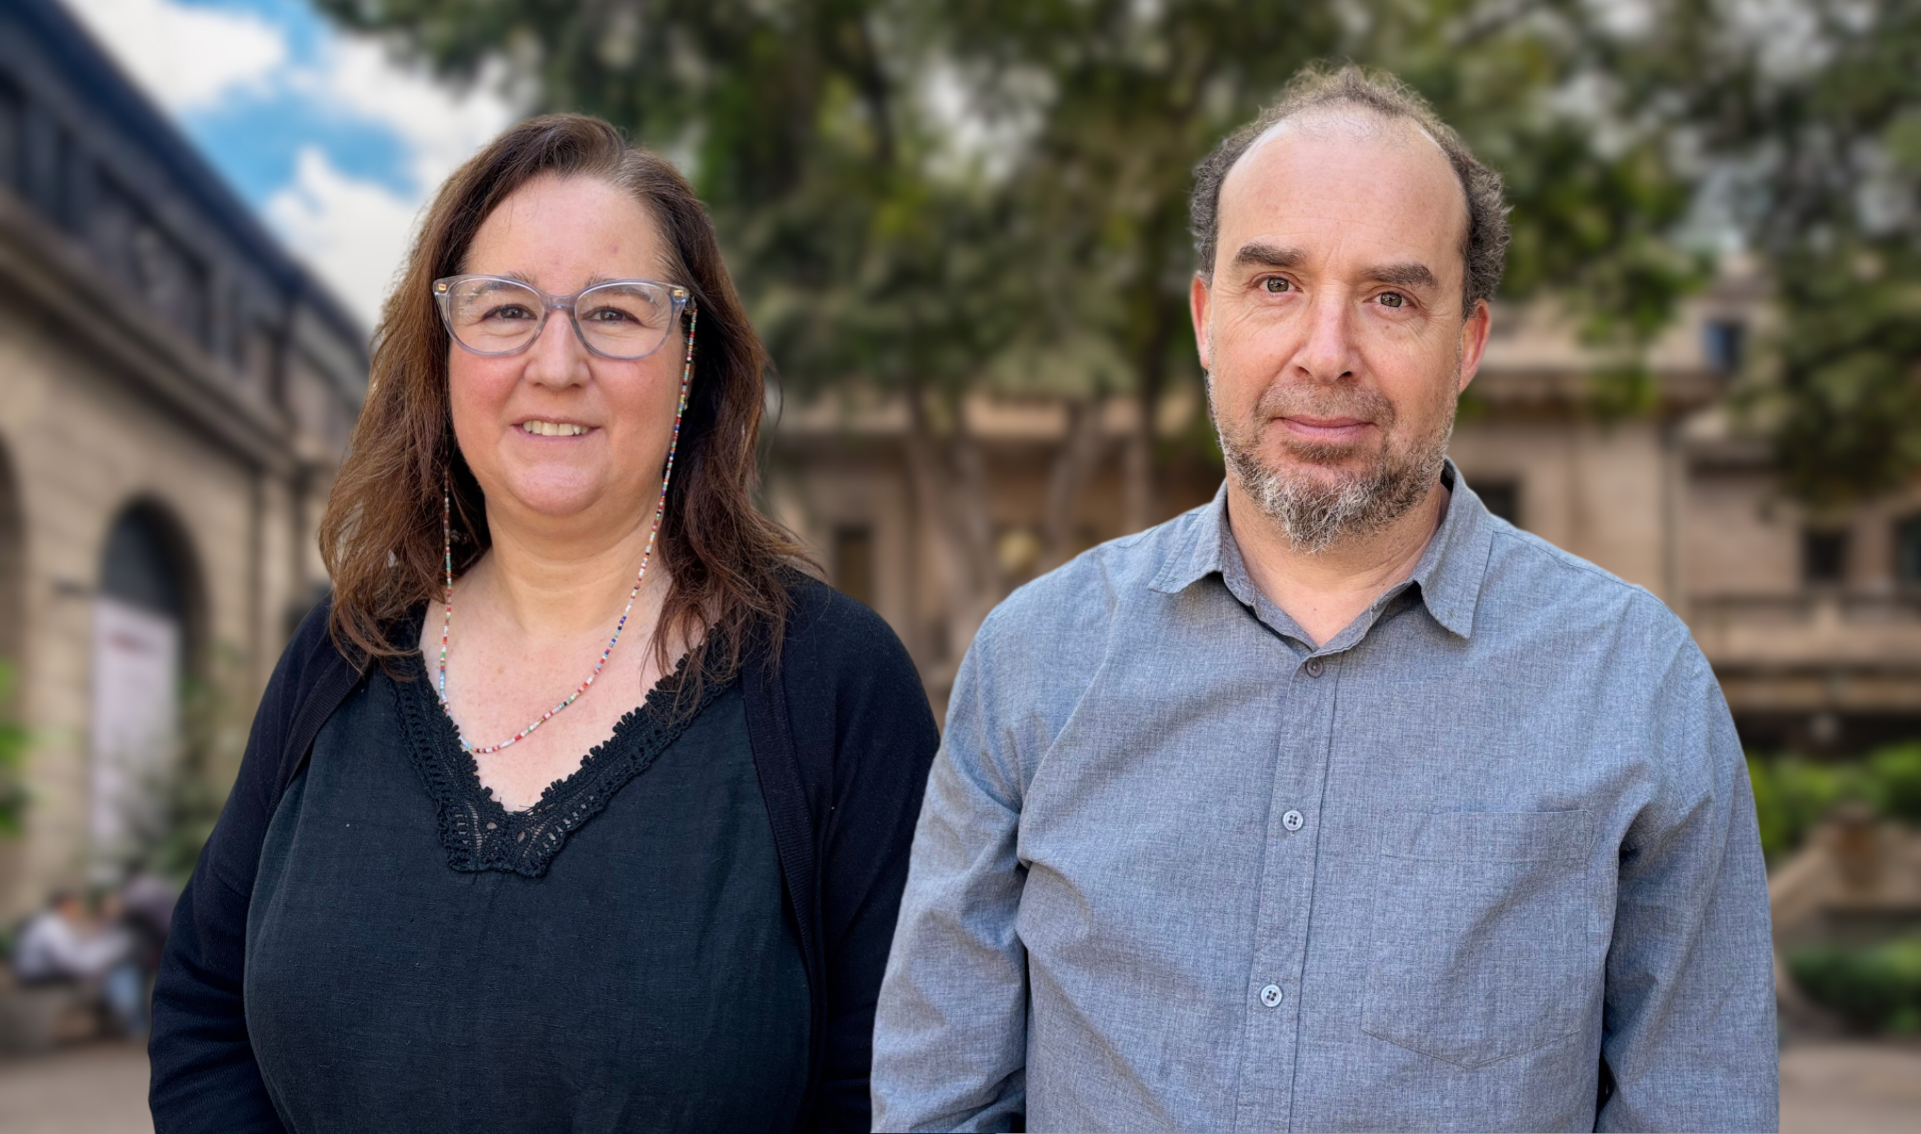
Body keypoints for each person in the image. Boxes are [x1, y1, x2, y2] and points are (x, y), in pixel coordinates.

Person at [871, 64, 1777, 1132]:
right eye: (1276, 285)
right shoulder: (1035, 662)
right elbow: (942, 1102)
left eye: (1391, 298)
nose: (1326, 353)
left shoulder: (1635, 684)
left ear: (1467, 344)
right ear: (1209, 320)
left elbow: (1697, 1107)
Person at [149, 114, 939, 1133]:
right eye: (506, 309)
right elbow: (206, 1008)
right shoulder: (339, 656)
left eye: (613, 313)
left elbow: (897, 1086)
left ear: (688, 360)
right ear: (444, 354)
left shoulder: (829, 682)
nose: (555, 362)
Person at [12, 888, 145, 1039]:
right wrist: (99, 962)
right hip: (38, 975)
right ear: (65, 905)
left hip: (42, 971)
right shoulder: (52, 927)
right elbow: (71, 962)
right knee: (118, 972)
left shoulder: (51, 923)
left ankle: (128, 1020)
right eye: (76, 905)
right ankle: (131, 1022)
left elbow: (76, 955)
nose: (79, 909)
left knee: (118, 971)